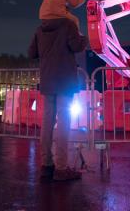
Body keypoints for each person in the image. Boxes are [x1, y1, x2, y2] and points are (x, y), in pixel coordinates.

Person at [28, 18, 89, 181]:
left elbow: (31, 53)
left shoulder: (41, 28)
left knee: (47, 121)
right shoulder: (68, 24)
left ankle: (46, 165)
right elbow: (77, 46)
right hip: (64, 80)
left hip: (47, 80)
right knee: (63, 122)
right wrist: (83, 37)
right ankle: (61, 168)